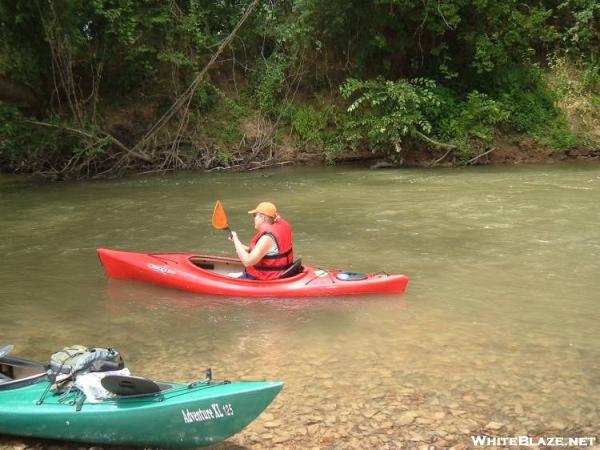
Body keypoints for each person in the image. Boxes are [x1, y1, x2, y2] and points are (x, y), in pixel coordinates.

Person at [230, 202, 294, 280]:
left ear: (263, 217)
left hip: (266, 278)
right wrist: (237, 243)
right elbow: (263, 252)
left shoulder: (267, 238)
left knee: (228, 279)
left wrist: (236, 239)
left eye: (255, 215)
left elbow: (247, 262)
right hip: (282, 272)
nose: (253, 218)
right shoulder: (282, 227)